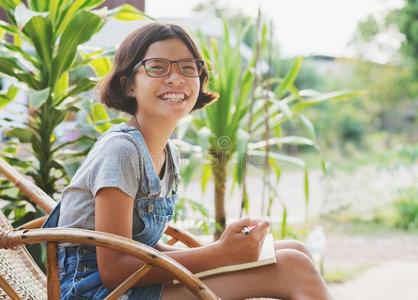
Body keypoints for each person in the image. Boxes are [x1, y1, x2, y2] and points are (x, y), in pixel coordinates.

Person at [46, 22, 332, 300]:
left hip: (130, 284)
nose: (176, 78)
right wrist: (219, 254)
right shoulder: (121, 150)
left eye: (188, 67)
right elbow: (114, 270)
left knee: (295, 250)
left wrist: (223, 251)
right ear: (129, 84)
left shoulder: (165, 152)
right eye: (157, 67)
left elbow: (142, 246)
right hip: (96, 292)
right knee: (294, 268)